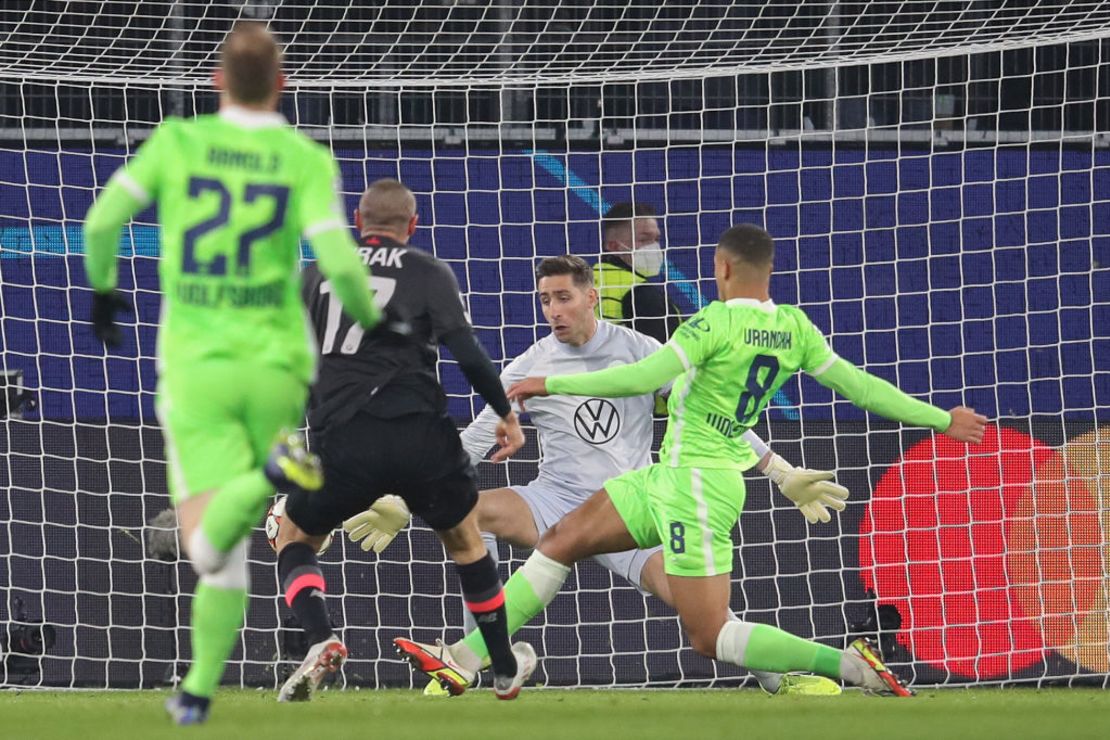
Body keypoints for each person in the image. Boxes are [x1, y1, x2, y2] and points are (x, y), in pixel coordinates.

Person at [397, 224, 989, 696]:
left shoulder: (711, 323)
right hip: (659, 478)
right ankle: (465, 659)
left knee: (709, 633)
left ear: (724, 269)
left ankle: (848, 667)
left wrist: (545, 385)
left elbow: (647, 375)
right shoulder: (795, 328)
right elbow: (862, 388)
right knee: (560, 540)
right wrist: (942, 418)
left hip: (699, 488)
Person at [355, 254, 847, 696]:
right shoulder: (530, 365)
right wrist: (407, 499)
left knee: (701, 614)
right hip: (554, 498)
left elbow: (709, 414)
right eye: (545, 300)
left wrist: (780, 471)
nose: (554, 310)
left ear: (591, 297)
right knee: (463, 516)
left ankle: (778, 677)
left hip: (631, 504)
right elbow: (475, 441)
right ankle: (475, 662)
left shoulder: (641, 350)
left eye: (564, 298)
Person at [81, 23, 382, 725]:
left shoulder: (178, 143)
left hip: (198, 367)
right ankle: (196, 690)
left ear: (217, 80)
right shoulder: (302, 156)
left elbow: (101, 224)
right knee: (241, 538)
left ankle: (268, 477)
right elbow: (339, 262)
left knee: (206, 544)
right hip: (278, 365)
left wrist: (102, 291)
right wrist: (381, 321)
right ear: (282, 86)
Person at [271, 179, 535, 703]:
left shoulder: (317, 274)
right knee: (465, 543)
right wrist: (506, 413)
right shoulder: (427, 271)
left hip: (344, 439)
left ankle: (321, 637)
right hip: (422, 437)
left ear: (359, 224)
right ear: (411, 226)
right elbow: (468, 353)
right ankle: (503, 668)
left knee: (292, 537)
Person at [594, 202, 681, 344]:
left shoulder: (586, 281)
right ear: (614, 246)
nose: (654, 247)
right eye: (644, 239)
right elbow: (666, 355)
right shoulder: (642, 293)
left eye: (656, 239)